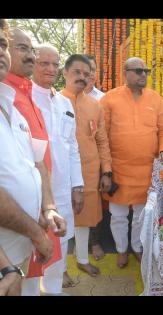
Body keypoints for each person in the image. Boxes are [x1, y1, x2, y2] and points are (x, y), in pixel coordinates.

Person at [0, 20, 58, 296]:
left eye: (2, 44)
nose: (31, 57)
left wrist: (48, 208)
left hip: (16, 252)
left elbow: (36, 161)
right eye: (22, 47)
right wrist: (36, 233)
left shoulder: (12, 103)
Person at [100, 57, 163, 268]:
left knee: (142, 215)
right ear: (126, 73)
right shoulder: (109, 99)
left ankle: (137, 248)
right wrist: (106, 168)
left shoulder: (156, 98)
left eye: (146, 71)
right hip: (118, 169)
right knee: (118, 215)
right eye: (139, 71)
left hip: (147, 170)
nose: (143, 75)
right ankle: (121, 250)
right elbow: (101, 135)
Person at [25, 45, 84, 296]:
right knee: (31, 244)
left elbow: (72, 147)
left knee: (61, 239)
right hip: (33, 188)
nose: (50, 69)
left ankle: (53, 289)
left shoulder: (64, 103)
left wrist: (77, 185)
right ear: (32, 64)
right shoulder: (23, 100)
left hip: (62, 186)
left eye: (54, 64)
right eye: (43, 63)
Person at [61, 54, 112, 282]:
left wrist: (106, 171)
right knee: (60, 219)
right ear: (65, 73)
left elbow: (102, 140)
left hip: (89, 171)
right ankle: (59, 268)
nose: (82, 77)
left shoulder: (95, 105)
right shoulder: (55, 101)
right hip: (61, 172)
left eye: (86, 73)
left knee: (84, 219)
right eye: (77, 72)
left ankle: (82, 259)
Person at [84, 54, 106, 262]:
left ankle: (95, 242)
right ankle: (77, 245)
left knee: (95, 201)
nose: (89, 74)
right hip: (73, 160)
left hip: (97, 159)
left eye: (92, 69)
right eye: (85, 69)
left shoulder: (102, 98)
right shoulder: (63, 97)